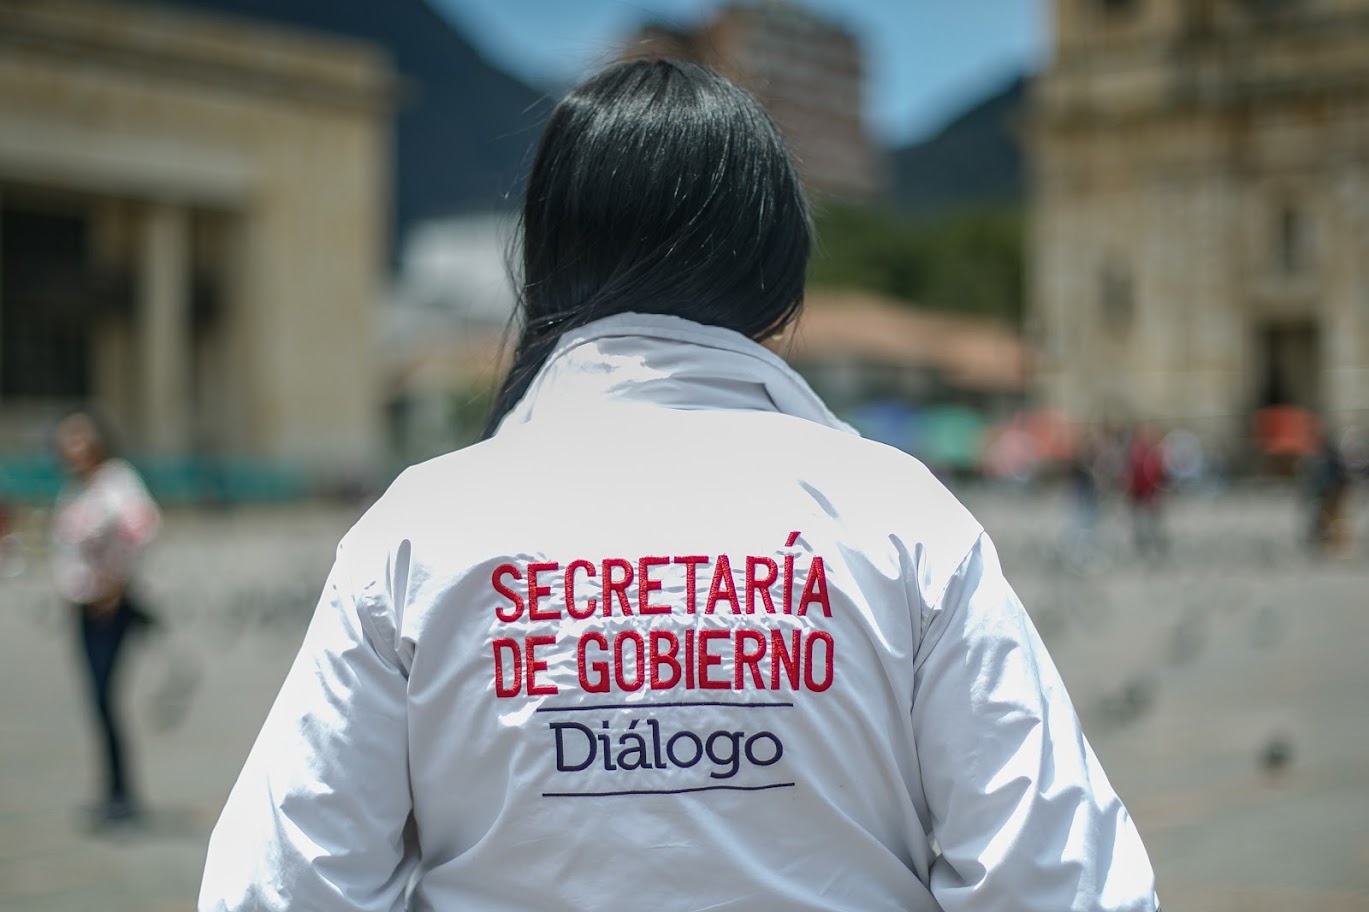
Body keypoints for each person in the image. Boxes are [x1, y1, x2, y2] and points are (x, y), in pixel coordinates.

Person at [200, 59, 1159, 911]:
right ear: (778, 276)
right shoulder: (900, 516)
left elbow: (275, 886)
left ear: (547, 255)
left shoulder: (417, 531)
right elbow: (1064, 882)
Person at [51, 410, 161, 827]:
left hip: (109, 608)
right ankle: (112, 789)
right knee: (96, 701)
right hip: (82, 606)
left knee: (104, 697)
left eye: (79, 439)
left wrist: (115, 584)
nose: (71, 448)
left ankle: (122, 793)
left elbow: (142, 528)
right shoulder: (76, 489)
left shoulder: (116, 481)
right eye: (67, 441)